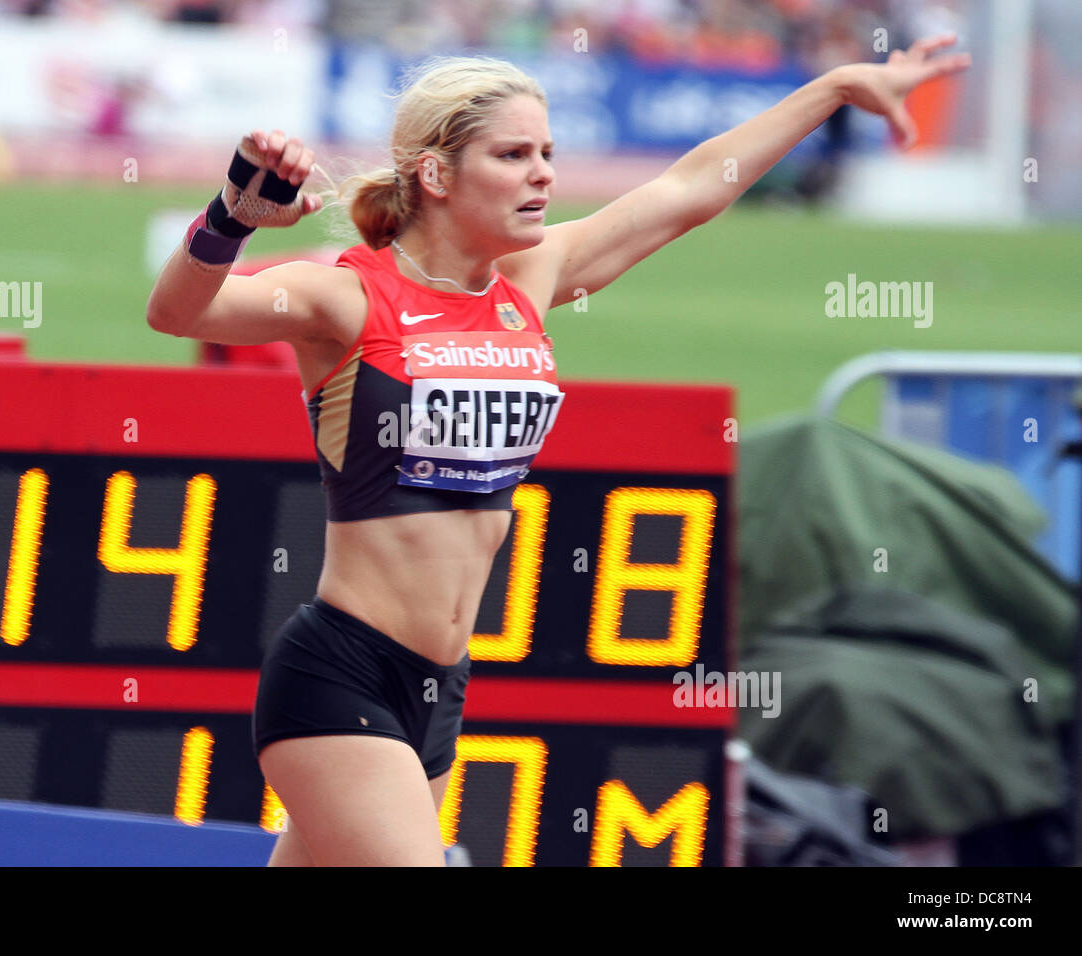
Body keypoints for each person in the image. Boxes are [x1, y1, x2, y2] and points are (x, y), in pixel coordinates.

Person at [146, 39, 970, 866]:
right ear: (435, 174)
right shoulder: (351, 297)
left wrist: (831, 89)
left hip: (438, 688)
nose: (543, 173)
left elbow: (688, 191)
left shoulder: (532, 280)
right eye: (513, 155)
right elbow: (180, 313)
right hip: (341, 674)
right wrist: (232, 218)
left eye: (547, 152)